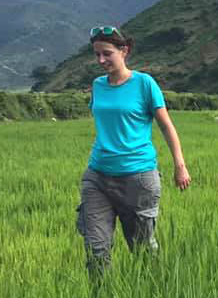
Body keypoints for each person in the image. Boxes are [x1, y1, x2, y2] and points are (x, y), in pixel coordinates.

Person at [76, 26, 191, 281]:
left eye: (107, 54)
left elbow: (165, 125)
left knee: (142, 251)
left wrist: (179, 165)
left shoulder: (144, 83)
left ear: (124, 51)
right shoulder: (98, 85)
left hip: (137, 177)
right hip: (97, 176)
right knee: (96, 250)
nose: (101, 60)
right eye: (97, 55)